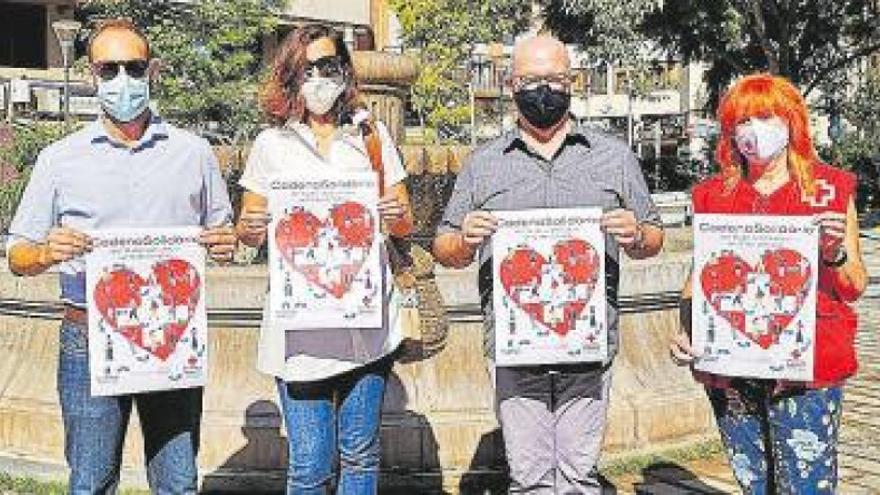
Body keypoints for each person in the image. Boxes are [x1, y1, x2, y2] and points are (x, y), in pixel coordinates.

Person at [5, 19, 236, 494]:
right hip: (88, 332)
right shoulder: (58, 159)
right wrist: (47, 251)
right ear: (93, 75)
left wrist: (225, 245)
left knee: (177, 481)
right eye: (109, 69)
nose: (122, 81)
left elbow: (223, 238)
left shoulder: (193, 154)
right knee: (90, 482)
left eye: (133, 67)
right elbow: (17, 255)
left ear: (151, 71)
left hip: (170, 333)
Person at [433, 35, 664, 494]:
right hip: (516, 344)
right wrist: (464, 240)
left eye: (556, 79)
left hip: (589, 341)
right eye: (532, 80)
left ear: (572, 83)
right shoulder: (483, 163)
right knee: (529, 477)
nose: (545, 90)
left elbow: (654, 235)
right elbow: (443, 245)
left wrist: (635, 234)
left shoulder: (613, 156)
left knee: (579, 476)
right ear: (511, 84)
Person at [235, 24, 413, 495]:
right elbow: (249, 226)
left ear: (344, 70)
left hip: (365, 326)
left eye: (328, 66)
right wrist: (251, 228)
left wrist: (395, 215)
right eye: (307, 68)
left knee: (360, 455)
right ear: (290, 75)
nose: (318, 78)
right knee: (310, 466)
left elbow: (404, 223)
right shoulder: (271, 145)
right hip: (300, 335)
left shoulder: (371, 138)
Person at [669, 73, 868, 494]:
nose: (753, 131)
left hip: (809, 367)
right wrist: (688, 330)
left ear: (791, 121)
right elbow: (697, 283)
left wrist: (833, 252)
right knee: (753, 482)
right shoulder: (713, 196)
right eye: (742, 121)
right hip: (733, 365)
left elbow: (853, 285)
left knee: (807, 484)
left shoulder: (830, 189)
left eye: (765, 117)